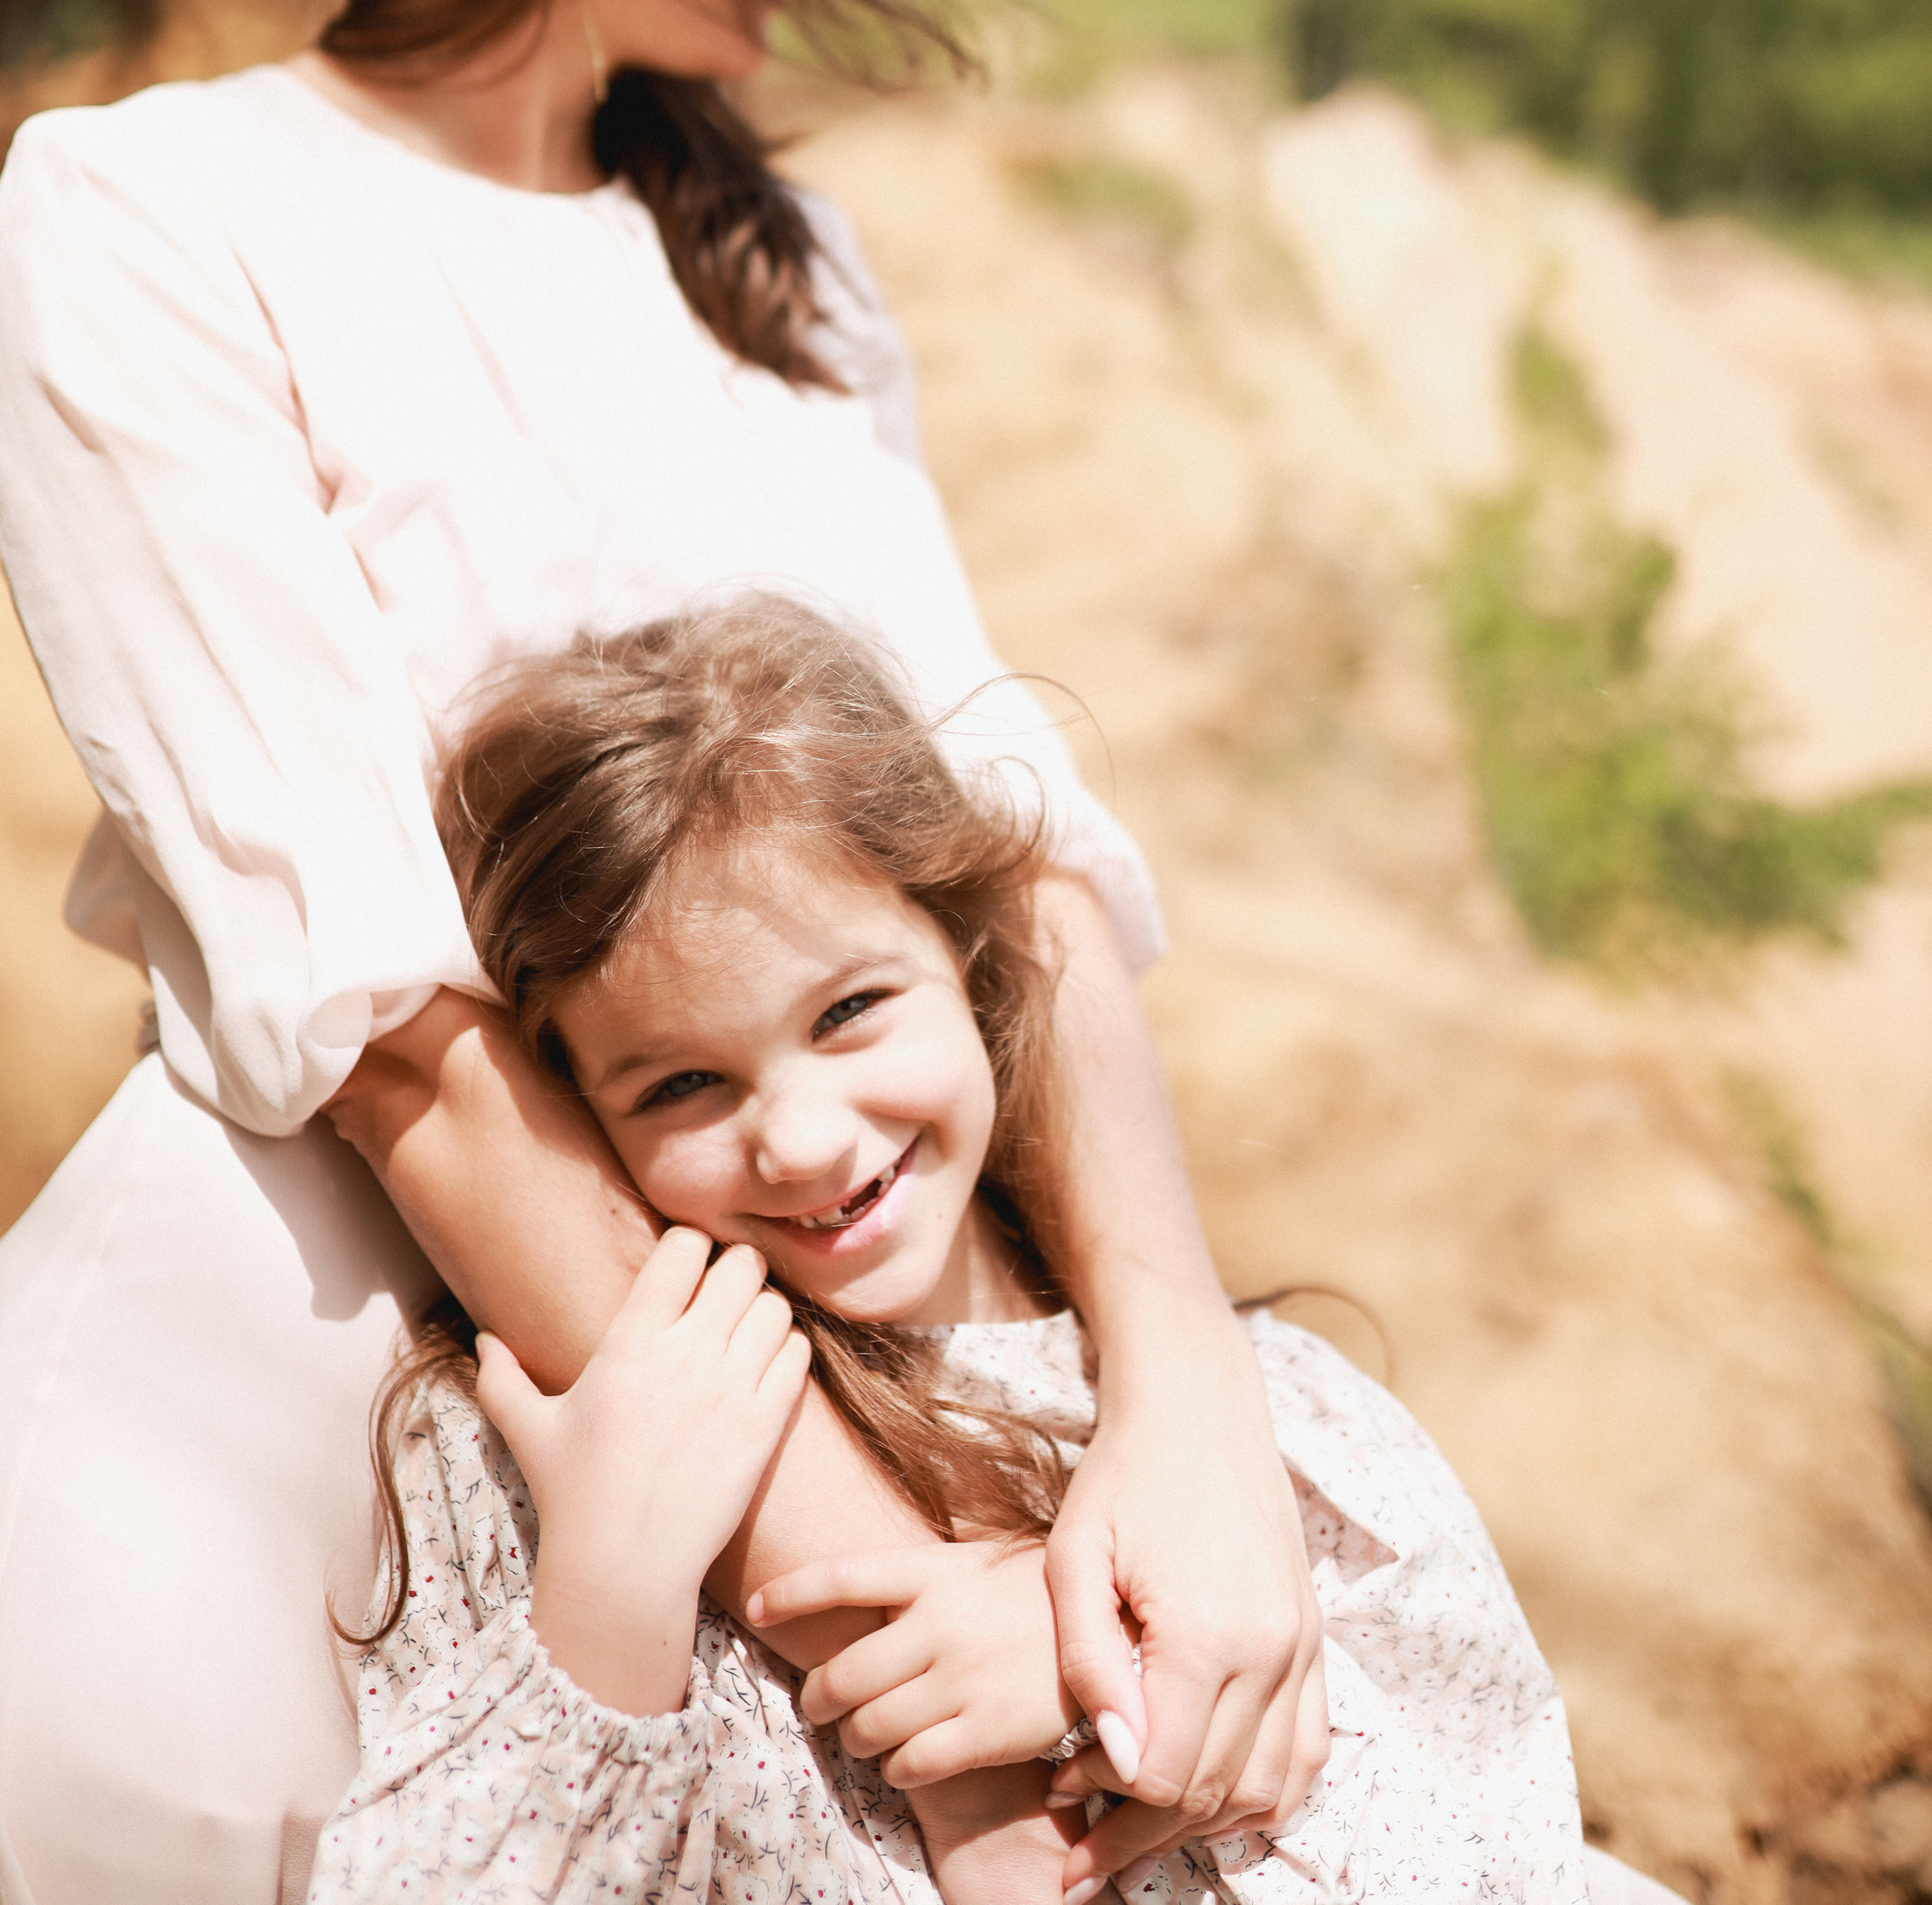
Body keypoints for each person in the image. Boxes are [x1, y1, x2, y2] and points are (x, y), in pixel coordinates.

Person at [0, 0, 1324, 1905]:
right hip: (324, 1310)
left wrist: (1190, 1413)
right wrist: (885, 1608)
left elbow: (1010, 860)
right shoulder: (138, 215)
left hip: (818, 1268)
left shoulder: (787, 284)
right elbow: (384, 1017)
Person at [309, 594, 1594, 1905]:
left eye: (851, 1009)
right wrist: (611, 1594)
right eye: (682, 1085)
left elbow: (1502, 1825)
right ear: (579, 1117)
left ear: (969, 959)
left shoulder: (1264, 1420)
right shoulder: (564, 1452)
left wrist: (1105, 1681)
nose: (802, 1142)